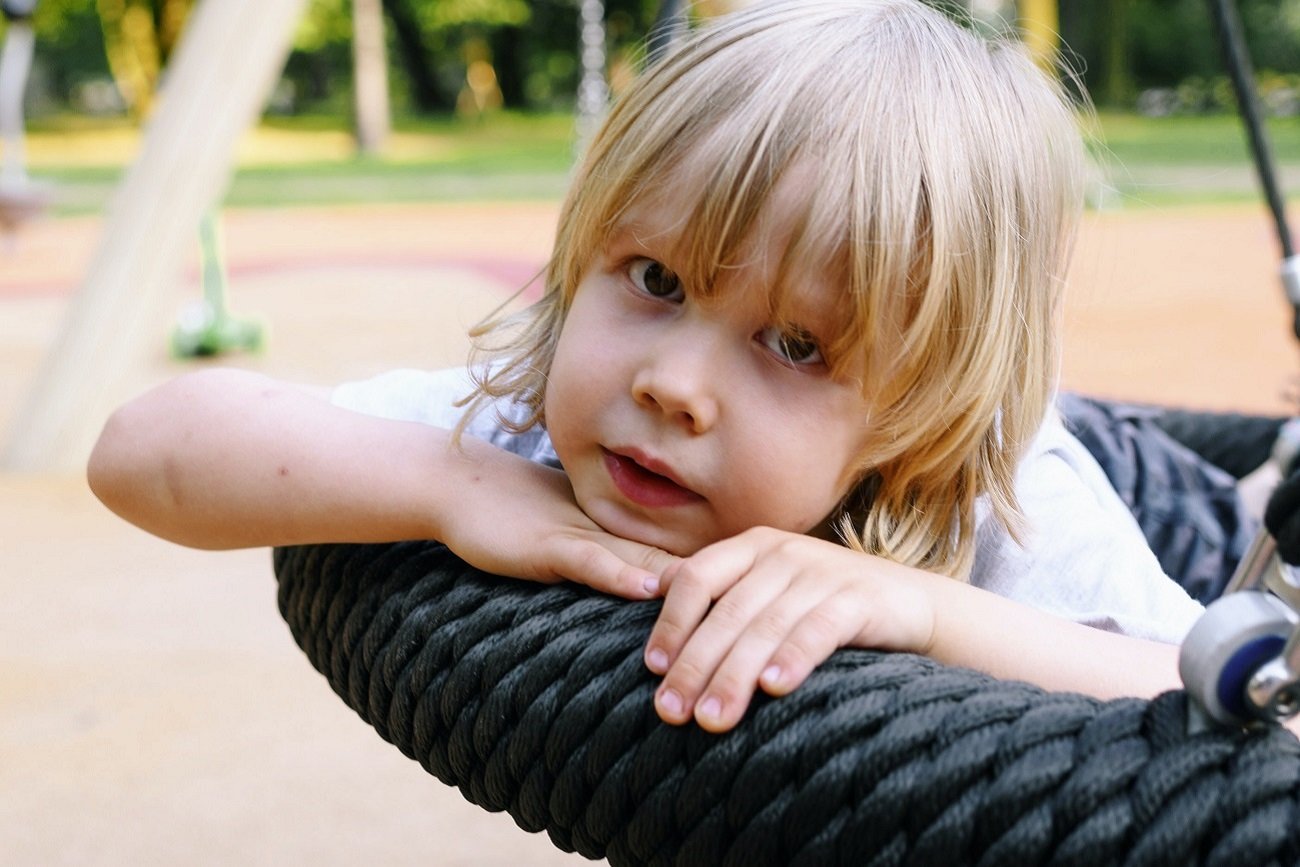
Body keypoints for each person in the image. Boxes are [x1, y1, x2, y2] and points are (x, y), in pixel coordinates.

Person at [88, 0, 1207, 735]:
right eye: (657, 281)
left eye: (794, 345)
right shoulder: (533, 432)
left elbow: (1252, 718)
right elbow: (140, 451)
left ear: (914, 421)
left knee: (1193, 502)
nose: (672, 381)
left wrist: (921, 610)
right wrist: (452, 484)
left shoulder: (994, 500)